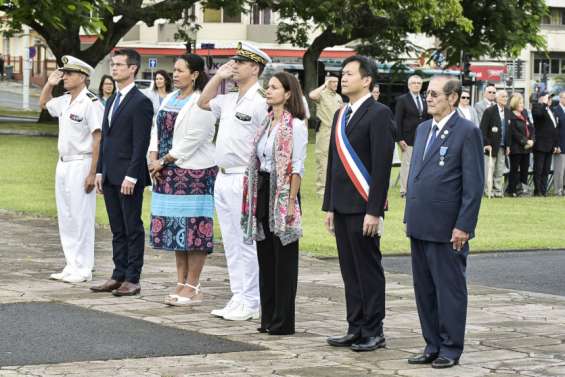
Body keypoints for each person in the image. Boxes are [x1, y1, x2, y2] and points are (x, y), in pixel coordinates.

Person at [404, 76, 484, 369]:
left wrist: (464, 225)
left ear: (453, 98)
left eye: (435, 94)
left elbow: (473, 186)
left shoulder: (467, 131)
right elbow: (417, 175)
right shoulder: (423, 128)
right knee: (424, 289)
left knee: (448, 290)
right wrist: (408, 216)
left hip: (447, 228)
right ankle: (431, 344)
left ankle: (450, 347)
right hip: (420, 223)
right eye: (427, 94)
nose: (429, 98)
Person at [323, 55, 395, 352]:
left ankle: (374, 329)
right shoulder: (341, 114)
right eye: (343, 73)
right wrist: (329, 205)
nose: (343, 78)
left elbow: (381, 166)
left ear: (367, 80)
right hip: (341, 205)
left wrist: (374, 211)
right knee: (349, 270)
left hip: (363, 206)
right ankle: (355, 326)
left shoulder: (379, 113)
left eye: (350, 73)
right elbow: (333, 163)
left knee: (367, 269)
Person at [197, 42, 271, 321]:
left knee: (245, 241)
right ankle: (237, 295)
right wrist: (217, 77)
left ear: (255, 67)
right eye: (233, 62)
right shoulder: (228, 98)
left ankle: (251, 301)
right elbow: (202, 102)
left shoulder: (262, 99)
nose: (234, 66)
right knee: (229, 240)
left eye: (240, 62)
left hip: (246, 175)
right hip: (223, 175)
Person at [147, 54, 217, 306]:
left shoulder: (203, 101)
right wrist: (153, 158)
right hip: (167, 172)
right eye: (173, 70)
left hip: (194, 173)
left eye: (180, 70)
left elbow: (194, 139)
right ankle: (181, 281)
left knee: (195, 230)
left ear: (195, 74)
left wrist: (164, 160)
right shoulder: (170, 98)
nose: (174, 74)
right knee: (177, 230)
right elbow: (157, 129)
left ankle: (193, 285)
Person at [241, 72, 308, 335]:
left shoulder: (296, 126)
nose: (268, 91)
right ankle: (267, 317)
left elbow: (297, 166)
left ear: (288, 93)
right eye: (267, 87)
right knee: (265, 256)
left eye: (274, 87)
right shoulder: (266, 123)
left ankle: (283, 320)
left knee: (284, 258)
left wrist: (290, 203)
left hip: (283, 192)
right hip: (263, 188)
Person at [91, 49, 154, 296]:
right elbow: (106, 139)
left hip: (128, 177)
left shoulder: (141, 102)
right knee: (117, 228)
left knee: (132, 227)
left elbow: (141, 143)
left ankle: (132, 278)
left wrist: (132, 175)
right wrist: (99, 171)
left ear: (133, 69)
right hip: (109, 174)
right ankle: (118, 274)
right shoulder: (112, 100)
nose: (114, 69)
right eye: (112, 65)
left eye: (119, 65)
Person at [39, 55, 103, 283]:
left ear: (83, 77)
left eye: (69, 73)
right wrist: (49, 84)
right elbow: (44, 104)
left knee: (81, 216)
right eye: (64, 73)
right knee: (66, 215)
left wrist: (93, 172)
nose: (64, 77)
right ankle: (71, 263)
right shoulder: (65, 100)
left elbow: (98, 138)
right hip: (64, 162)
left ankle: (84, 267)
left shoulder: (91, 102)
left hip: (82, 162)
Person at [395, 75, 430, 198]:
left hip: (423, 137)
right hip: (407, 138)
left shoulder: (425, 99)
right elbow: (397, 120)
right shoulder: (402, 100)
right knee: (407, 164)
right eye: (414, 83)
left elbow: (427, 118)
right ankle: (404, 190)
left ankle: (417, 188)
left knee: (421, 164)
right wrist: (399, 138)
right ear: (409, 85)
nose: (416, 85)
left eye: (418, 83)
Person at [309, 76, 343, 196]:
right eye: (332, 82)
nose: (335, 84)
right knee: (322, 160)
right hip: (324, 131)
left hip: (336, 131)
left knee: (336, 160)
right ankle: (322, 190)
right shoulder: (322, 95)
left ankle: (333, 188)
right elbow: (312, 95)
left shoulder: (338, 97)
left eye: (336, 82)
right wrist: (324, 84)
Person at [480, 90, 511, 197]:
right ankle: (488, 190)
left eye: (506, 97)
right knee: (490, 169)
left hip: (502, 146)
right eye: (503, 96)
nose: (505, 98)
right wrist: (486, 144)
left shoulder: (507, 111)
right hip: (491, 146)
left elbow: (508, 130)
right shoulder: (489, 111)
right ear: (497, 98)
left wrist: (508, 145)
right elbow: (482, 129)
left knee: (499, 169)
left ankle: (497, 190)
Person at [531, 92, 560, 196]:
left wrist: (556, 145)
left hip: (550, 145)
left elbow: (555, 129)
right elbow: (538, 115)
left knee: (546, 170)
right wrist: (543, 103)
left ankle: (544, 190)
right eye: (547, 98)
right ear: (541, 99)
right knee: (538, 169)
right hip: (540, 144)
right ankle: (537, 190)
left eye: (550, 98)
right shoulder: (536, 107)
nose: (549, 100)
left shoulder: (551, 110)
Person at [506, 93, 534, 197]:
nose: (522, 105)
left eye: (523, 102)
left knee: (525, 169)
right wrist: (525, 141)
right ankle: (512, 190)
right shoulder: (510, 115)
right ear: (515, 104)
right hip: (516, 147)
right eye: (521, 103)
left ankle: (523, 189)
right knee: (514, 170)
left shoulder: (525, 113)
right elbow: (513, 132)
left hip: (527, 148)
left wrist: (532, 140)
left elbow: (531, 128)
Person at [552, 90, 565, 196]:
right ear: (560, 98)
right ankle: (558, 190)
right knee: (559, 170)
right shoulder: (556, 110)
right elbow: (555, 130)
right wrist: (556, 145)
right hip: (560, 145)